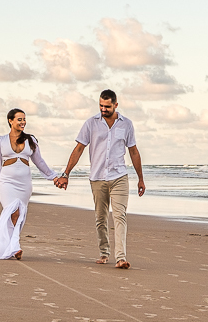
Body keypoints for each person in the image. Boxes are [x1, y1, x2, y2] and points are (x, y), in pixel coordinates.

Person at [54, 89, 145, 269]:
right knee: (101, 218)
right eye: (101, 106)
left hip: (119, 176)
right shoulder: (91, 124)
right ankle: (104, 253)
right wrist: (66, 174)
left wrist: (140, 178)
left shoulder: (126, 124)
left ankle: (121, 258)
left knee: (120, 216)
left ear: (116, 105)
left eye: (107, 106)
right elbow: (79, 148)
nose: (103, 109)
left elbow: (133, 151)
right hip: (97, 178)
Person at [0, 108, 57, 260]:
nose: (23, 122)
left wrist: (53, 177)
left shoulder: (30, 141)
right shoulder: (1, 141)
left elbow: (39, 161)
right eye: (19, 119)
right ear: (10, 121)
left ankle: (12, 246)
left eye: (24, 119)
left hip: (24, 183)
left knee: (19, 214)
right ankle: (15, 247)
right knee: (12, 211)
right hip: (7, 182)